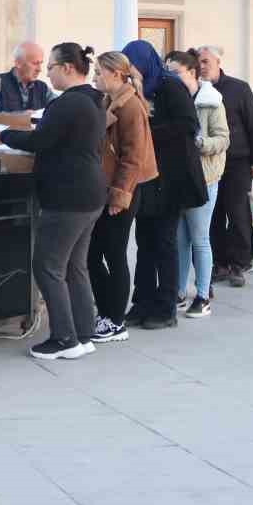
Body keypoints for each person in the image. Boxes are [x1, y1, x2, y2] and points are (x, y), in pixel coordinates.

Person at [0, 43, 106, 360]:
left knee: (47, 266)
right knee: (74, 266)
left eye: (51, 67)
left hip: (68, 196)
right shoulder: (93, 100)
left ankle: (64, 339)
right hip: (90, 193)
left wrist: (0, 134)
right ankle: (84, 335)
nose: (47, 74)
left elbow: (38, 141)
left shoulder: (68, 103)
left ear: (68, 67)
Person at [124, 41, 203, 330]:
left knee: (164, 242)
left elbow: (188, 124)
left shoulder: (169, 86)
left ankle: (166, 306)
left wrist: (148, 132)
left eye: (132, 63)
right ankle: (142, 300)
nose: (129, 70)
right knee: (144, 241)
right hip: (148, 178)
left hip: (173, 179)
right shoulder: (138, 88)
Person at [86, 50, 156, 342]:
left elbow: (133, 158)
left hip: (124, 190)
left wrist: (118, 197)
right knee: (93, 254)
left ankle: (115, 320)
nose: (95, 77)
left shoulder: (130, 107)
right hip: (111, 187)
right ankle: (106, 313)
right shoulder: (111, 100)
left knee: (113, 254)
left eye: (100, 72)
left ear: (116, 74)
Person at [197, 46, 253, 288]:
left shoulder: (238, 88)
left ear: (217, 62)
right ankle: (220, 263)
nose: (201, 66)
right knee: (212, 216)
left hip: (237, 161)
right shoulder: (196, 90)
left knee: (238, 215)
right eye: (198, 62)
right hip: (209, 162)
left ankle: (239, 265)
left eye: (205, 61)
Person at [169, 50, 227, 318]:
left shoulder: (211, 100)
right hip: (178, 176)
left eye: (175, 71)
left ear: (191, 73)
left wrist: (201, 144)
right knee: (180, 238)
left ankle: (202, 295)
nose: (170, 76)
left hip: (204, 178)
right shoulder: (171, 98)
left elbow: (223, 138)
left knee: (200, 238)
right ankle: (179, 291)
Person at [0, 41, 50, 114]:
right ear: (18, 63)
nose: (39, 69)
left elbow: (59, 106)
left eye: (40, 63)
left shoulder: (43, 88)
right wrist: (21, 116)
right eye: (35, 63)